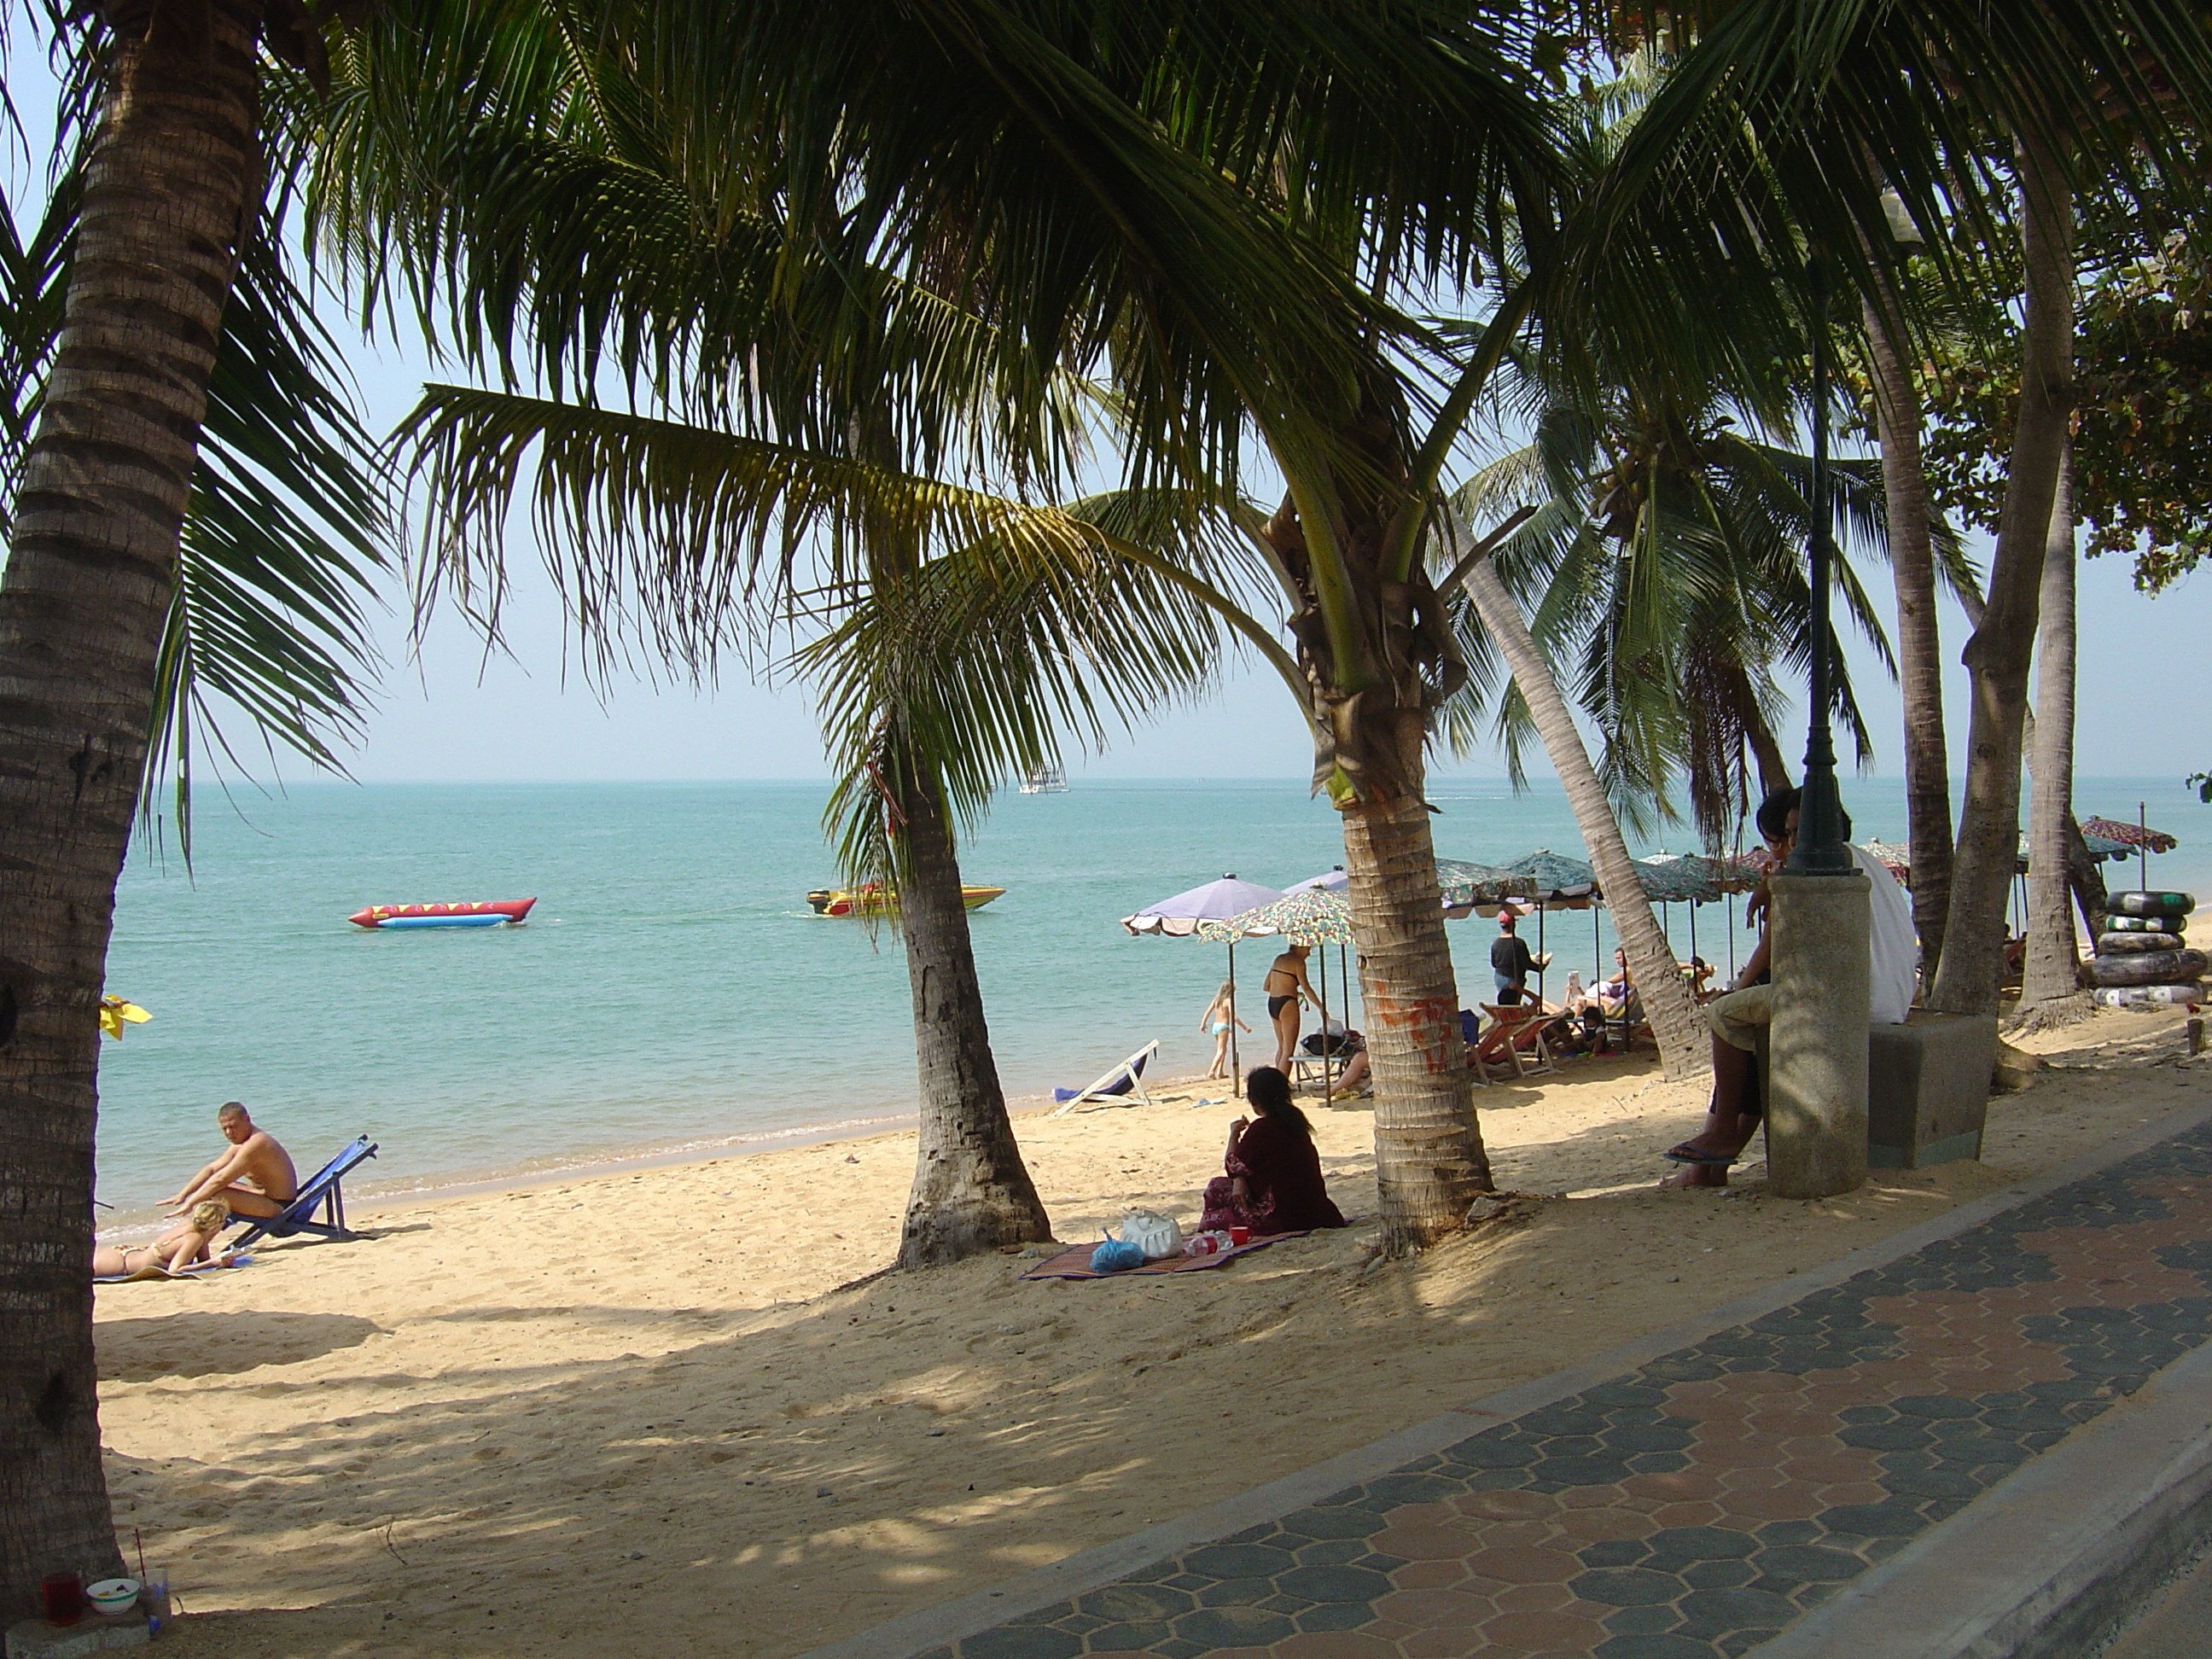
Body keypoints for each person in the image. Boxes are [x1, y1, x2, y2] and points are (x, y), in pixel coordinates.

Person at [1661, 786, 1918, 1188]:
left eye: (1796, 833)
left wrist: (1773, 889)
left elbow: (1771, 945)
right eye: (1787, 834)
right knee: (1756, 1025)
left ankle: (1722, 1134)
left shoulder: (1819, 866)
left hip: (1856, 1003)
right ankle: (1710, 1162)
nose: (1792, 844)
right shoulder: (1871, 863)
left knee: (1725, 1014)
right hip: (1894, 997)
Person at [1199, 1067, 1348, 1233]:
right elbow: (1237, 1168)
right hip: (1317, 1210)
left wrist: (1234, 1134)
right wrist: (1239, 1178)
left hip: (1284, 1216)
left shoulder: (1262, 1128)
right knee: (1223, 1189)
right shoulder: (1296, 1123)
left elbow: (1232, 1163)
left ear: (1254, 1102)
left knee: (1214, 1195)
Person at [161, 1102, 298, 1220]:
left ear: (247, 1119)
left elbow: (221, 1178)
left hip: (280, 1207)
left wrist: (190, 1204)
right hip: (263, 1197)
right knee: (209, 1186)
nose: (228, 1133)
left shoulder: (257, 1143)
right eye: (224, 1128)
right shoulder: (242, 1143)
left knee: (215, 1192)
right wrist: (183, 1195)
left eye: (233, 1127)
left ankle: (198, 1239)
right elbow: (213, 1170)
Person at [93, 1200, 233, 1281]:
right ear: (217, 1224)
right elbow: (175, 1269)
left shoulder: (189, 1226)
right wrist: (215, 1262)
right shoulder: (194, 1238)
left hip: (122, 1256)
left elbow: (204, 1260)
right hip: (120, 1264)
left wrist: (218, 1261)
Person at [1262, 944, 1318, 1071]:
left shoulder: (1279, 959)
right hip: (1287, 1003)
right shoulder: (1299, 963)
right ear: (1300, 947)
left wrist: (1285, 985)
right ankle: (1282, 1084)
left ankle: (1278, 1079)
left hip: (1272, 1002)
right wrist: (1321, 1007)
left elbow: (1266, 986)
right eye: (1308, 949)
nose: (1309, 954)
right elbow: (1306, 988)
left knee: (1282, 1047)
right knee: (1288, 1049)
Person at [1198, 981, 1252, 1080]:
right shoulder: (1228, 1001)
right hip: (1223, 1027)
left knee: (1223, 1049)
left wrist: (1203, 1024)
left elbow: (1207, 1012)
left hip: (1215, 1026)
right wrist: (1245, 1027)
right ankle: (1211, 1071)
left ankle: (1220, 1071)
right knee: (1221, 1050)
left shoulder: (1216, 1000)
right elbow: (1233, 1016)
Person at [1491, 912, 1537, 1004]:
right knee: (1514, 1002)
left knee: (1505, 1003)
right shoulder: (1518, 943)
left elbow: (1494, 963)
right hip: (1513, 978)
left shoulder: (1496, 943)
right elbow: (1526, 964)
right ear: (1513, 925)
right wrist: (1541, 966)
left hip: (1499, 977)